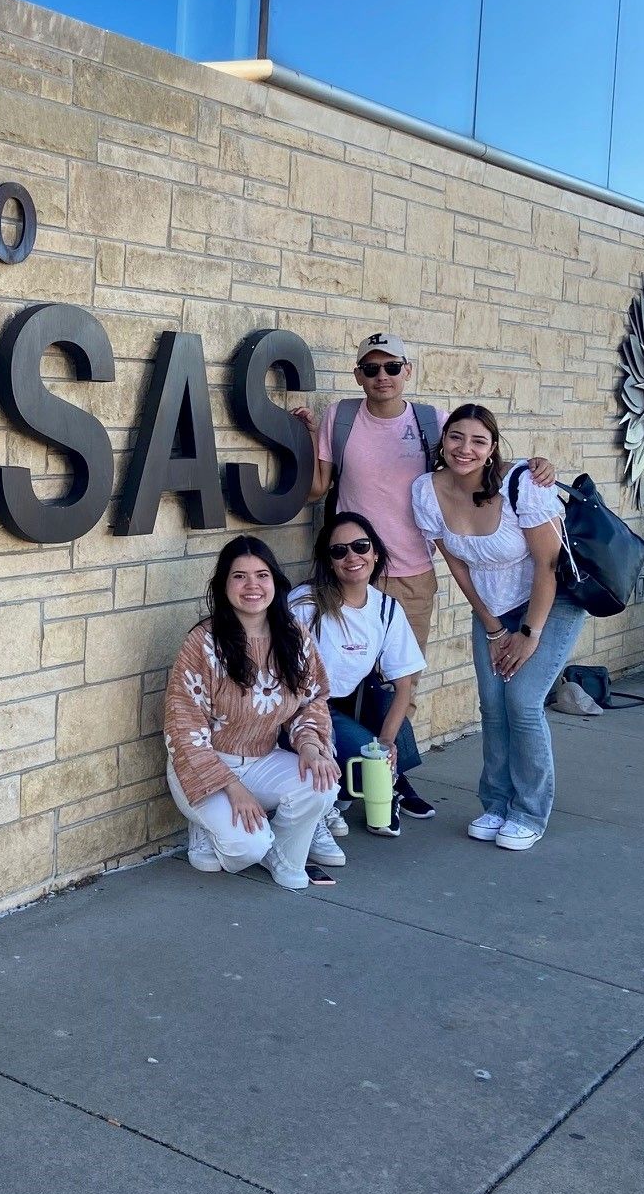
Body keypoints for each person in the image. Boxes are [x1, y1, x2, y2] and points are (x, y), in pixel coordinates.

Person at [293, 330, 555, 822]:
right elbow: (316, 488)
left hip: (411, 573)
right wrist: (308, 435)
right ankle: (344, 778)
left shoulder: (432, 422)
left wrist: (536, 465)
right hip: (351, 568)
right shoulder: (341, 417)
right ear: (359, 375)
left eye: (392, 367)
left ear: (407, 371)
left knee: (400, 682)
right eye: (372, 368)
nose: (383, 376)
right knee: (339, 677)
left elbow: (474, 464)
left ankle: (393, 776)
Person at [411, 404, 585, 851]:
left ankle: (529, 812)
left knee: (522, 703)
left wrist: (529, 634)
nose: (464, 449)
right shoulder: (427, 490)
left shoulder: (522, 484)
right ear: (443, 441)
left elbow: (548, 566)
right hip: (492, 608)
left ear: (492, 448)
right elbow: (457, 565)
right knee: (492, 705)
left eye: (478, 441)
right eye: (456, 437)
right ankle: (496, 804)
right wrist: (492, 626)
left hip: (550, 604)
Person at [164, 535, 342, 890]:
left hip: (263, 759)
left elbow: (312, 700)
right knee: (244, 849)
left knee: (322, 785)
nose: (252, 585)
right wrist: (232, 787)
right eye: (239, 576)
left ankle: (281, 853)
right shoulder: (203, 642)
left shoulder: (294, 636)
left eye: (262, 575)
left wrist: (310, 746)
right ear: (223, 585)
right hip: (203, 766)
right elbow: (183, 728)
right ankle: (207, 826)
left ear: (275, 581)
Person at [289, 512, 426, 839]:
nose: (352, 556)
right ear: (329, 561)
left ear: (375, 553)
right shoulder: (306, 605)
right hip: (308, 707)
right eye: (339, 551)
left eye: (360, 546)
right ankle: (370, 785)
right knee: (367, 765)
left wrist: (387, 742)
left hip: (355, 701)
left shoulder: (386, 608)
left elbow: (404, 684)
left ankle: (392, 780)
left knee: (386, 711)